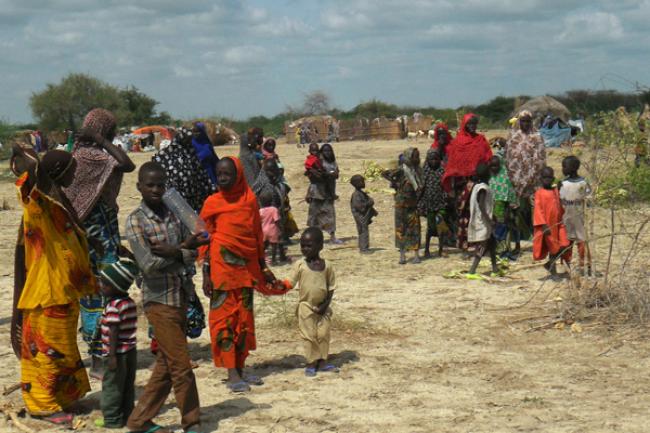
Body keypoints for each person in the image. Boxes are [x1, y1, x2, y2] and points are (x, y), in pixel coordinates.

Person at [11, 145, 95, 427]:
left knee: (64, 347)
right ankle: (43, 405)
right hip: (48, 290)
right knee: (46, 351)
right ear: (58, 173)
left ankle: (64, 395)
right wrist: (27, 161)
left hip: (65, 289)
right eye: (72, 171)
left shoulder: (58, 202)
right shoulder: (39, 206)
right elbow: (29, 180)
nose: (76, 175)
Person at [125, 162, 208, 433]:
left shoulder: (175, 213)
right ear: (139, 187)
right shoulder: (136, 220)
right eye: (150, 185)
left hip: (181, 294)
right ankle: (192, 422)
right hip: (158, 299)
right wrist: (182, 249)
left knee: (167, 363)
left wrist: (175, 251)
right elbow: (147, 264)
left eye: (160, 184)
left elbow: (196, 247)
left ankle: (139, 421)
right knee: (182, 366)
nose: (156, 189)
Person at [200, 157, 290, 393]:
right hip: (221, 271)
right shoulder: (211, 203)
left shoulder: (249, 200)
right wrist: (205, 274)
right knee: (224, 321)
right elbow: (205, 240)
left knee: (243, 320)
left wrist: (263, 268)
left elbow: (256, 236)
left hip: (246, 270)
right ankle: (231, 373)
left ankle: (240, 367)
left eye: (227, 173)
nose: (222, 177)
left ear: (238, 175)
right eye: (219, 173)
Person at [63, 108, 136, 380]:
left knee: (92, 295)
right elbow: (128, 165)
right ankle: (99, 359)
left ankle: (98, 358)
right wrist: (103, 142)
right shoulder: (93, 157)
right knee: (103, 294)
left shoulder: (80, 156)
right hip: (98, 237)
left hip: (86, 236)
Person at [287, 227, 338, 377]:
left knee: (323, 334)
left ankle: (323, 360)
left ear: (320, 246)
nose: (305, 249)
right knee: (308, 335)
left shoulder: (327, 266)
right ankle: (311, 361)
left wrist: (325, 305)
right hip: (305, 306)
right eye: (302, 245)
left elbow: (331, 287)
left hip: (323, 307)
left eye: (309, 245)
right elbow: (290, 281)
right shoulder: (300, 265)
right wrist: (277, 286)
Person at [97, 259, 139, 429]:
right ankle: (128, 415)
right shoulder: (129, 303)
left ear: (116, 287)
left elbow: (113, 331)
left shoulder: (114, 306)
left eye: (105, 285)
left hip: (116, 353)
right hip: (131, 351)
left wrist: (112, 355)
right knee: (128, 385)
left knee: (112, 387)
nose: (101, 287)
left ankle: (112, 420)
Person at [442, 113, 492, 252]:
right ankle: (465, 245)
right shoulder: (457, 143)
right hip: (462, 185)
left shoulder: (481, 140)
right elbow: (452, 164)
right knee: (464, 215)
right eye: (470, 124)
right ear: (464, 125)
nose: (473, 126)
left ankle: (481, 245)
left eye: (475, 124)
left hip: (479, 182)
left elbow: (488, 158)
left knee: (480, 212)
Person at [153, 126, 214, 212]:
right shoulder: (166, 154)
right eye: (185, 139)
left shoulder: (191, 153)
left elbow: (201, 175)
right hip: (176, 195)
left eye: (189, 140)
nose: (187, 142)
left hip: (194, 194)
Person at [506, 110, 546, 240]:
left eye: (528, 121)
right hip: (515, 178)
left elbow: (540, 159)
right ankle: (518, 235)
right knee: (516, 206)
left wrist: (531, 176)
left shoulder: (537, 137)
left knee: (535, 206)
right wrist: (513, 176)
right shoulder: (512, 136)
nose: (526, 123)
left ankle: (536, 233)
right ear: (519, 122)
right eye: (523, 121)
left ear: (531, 122)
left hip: (533, 178)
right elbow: (508, 157)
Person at [383, 147, 422, 264]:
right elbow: (385, 174)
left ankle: (416, 254)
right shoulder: (401, 171)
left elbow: (421, 186)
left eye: (417, 156)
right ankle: (402, 255)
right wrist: (395, 180)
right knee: (401, 229)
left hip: (413, 204)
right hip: (401, 204)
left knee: (415, 229)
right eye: (414, 156)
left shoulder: (418, 171)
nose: (416, 159)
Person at [533, 167, 570, 278]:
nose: (547, 180)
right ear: (541, 179)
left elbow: (560, 204)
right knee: (553, 248)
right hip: (547, 226)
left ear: (553, 178)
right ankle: (553, 270)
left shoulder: (555, 191)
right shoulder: (539, 193)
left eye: (549, 177)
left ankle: (549, 264)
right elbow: (538, 210)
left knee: (565, 244)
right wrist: (543, 225)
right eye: (545, 177)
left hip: (559, 224)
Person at [252, 159, 290, 263]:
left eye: (274, 170)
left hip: (278, 215)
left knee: (280, 238)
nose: (272, 173)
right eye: (269, 171)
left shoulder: (278, 182)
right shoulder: (262, 184)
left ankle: (282, 256)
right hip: (267, 219)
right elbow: (254, 198)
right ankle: (262, 257)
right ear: (264, 171)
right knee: (268, 241)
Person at [559, 156, 592, 276]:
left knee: (581, 242)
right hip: (566, 218)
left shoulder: (583, 183)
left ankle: (583, 265)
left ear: (572, 168)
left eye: (564, 166)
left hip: (580, 218)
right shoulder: (563, 184)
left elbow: (588, 199)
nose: (562, 169)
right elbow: (560, 200)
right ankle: (568, 265)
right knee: (567, 242)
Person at [305, 144, 341, 244]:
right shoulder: (317, 162)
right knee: (314, 215)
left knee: (330, 215)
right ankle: (314, 238)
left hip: (329, 193)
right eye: (325, 151)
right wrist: (308, 193)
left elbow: (336, 174)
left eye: (329, 151)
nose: (327, 153)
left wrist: (332, 174)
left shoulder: (333, 162)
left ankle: (332, 237)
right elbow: (312, 178)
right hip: (316, 192)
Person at [418, 149, 449, 258]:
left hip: (440, 204)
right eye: (431, 159)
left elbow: (445, 187)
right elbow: (421, 189)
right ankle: (427, 249)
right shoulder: (425, 172)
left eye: (436, 159)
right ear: (428, 160)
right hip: (429, 205)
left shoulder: (442, 171)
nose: (434, 161)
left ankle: (441, 249)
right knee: (430, 228)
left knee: (441, 227)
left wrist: (446, 199)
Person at [468, 163, 497, 275]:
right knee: (482, 246)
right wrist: (489, 220)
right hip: (482, 221)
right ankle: (472, 269)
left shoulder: (476, 186)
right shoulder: (483, 188)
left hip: (484, 220)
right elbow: (481, 205)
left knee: (492, 244)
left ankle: (495, 268)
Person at [488, 155, 520, 258]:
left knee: (504, 230)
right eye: (492, 166)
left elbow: (510, 196)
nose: (494, 168)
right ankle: (496, 250)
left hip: (504, 209)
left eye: (496, 166)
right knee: (493, 230)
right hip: (492, 209)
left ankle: (505, 250)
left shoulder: (505, 177)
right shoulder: (489, 176)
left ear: (500, 165)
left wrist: (508, 211)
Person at [350, 174, 378, 252]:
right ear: (357, 183)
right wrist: (369, 203)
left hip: (363, 216)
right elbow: (360, 207)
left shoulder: (361, 193)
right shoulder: (356, 195)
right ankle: (364, 248)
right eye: (362, 182)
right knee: (363, 232)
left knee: (364, 231)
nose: (364, 183)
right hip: (360, 217)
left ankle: (364, 247)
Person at [191, 122, 219, 187]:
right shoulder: (191, 144)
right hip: (197, 173)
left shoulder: (207, 143)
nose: (196, 134)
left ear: (203, 132)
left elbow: (214, 158)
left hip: (210, 172)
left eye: (198, 131)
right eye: (194, 132)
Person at [259, 190, 282, 265]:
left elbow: (259, 221)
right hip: (273, 230)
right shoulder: (273, 209)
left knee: (264, 245)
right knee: (274, 246)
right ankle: (274, 260)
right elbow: (277, 220)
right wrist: (280, 228)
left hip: (263, 230)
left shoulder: (260, 211)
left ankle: (262, 258)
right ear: (271, 200)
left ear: (260, 202)